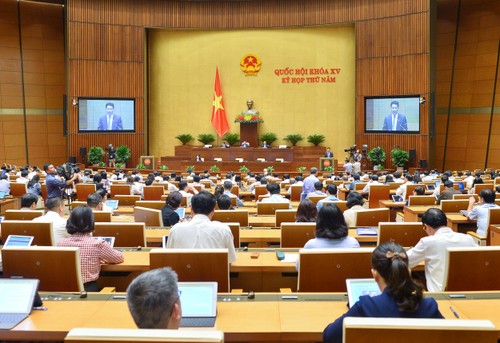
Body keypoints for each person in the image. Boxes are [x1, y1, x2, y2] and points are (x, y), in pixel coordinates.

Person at [323, 242, 443, 343]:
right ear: (408, 271)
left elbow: (329, 336)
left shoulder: (365, 306)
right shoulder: (429, 306)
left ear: (374, 274)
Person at [407, 208, 476, 292]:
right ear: (446, 221)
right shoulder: (468, 239)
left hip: (439, 296)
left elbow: (405, 261)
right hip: (467, 293)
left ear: (426, 226)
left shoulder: (427, 242)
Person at [57, 206, 124, 291]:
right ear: (91, 222)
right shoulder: (97, 244)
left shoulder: (60, 243)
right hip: (88, 289)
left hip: (65, 289)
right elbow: (119, 258)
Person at [166, 191, 237, 263]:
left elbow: (169, 257)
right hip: (214, 273)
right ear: (212, 212)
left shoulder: (175, 229)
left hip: (183, 273)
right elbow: (231, 259)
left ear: (191, 210)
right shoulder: (224, 230)